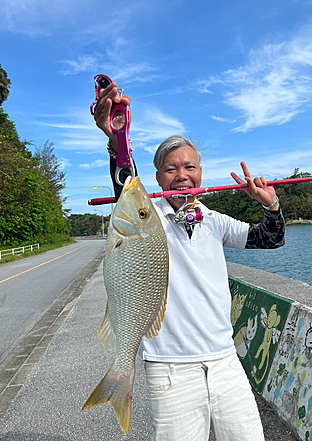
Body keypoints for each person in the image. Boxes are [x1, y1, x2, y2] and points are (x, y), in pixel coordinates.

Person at [93, 81, 285, 441]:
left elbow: (271, 238)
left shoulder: (213, 220)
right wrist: (116, 140)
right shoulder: (147, 219)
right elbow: (126, 186)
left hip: (226, 361)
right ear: (157, 177)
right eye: (171, 169)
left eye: (190, 167)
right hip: (169, 368)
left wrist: (270, 204)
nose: (182, 176)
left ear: (200, 173)